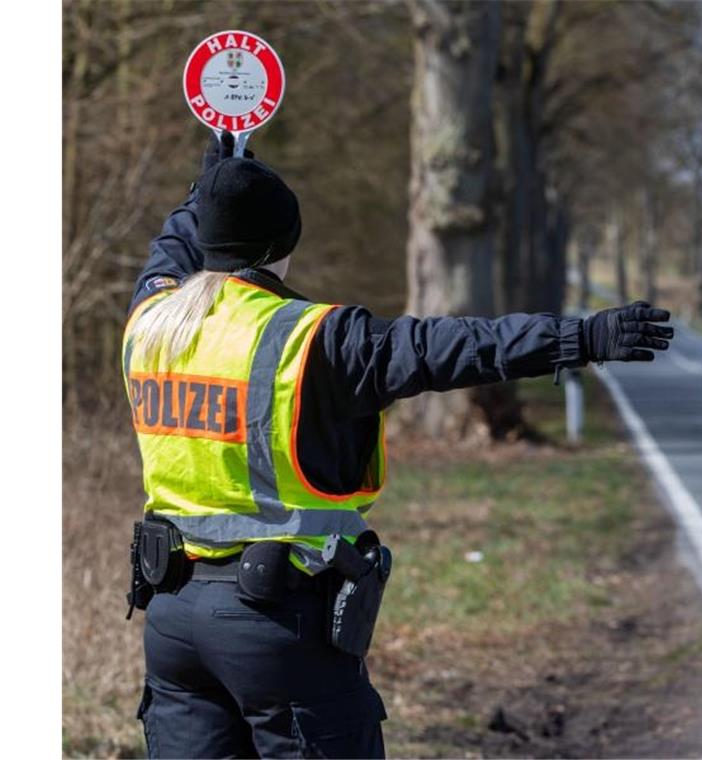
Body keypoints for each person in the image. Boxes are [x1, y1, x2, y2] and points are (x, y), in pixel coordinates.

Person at [122, 132, 673, 759]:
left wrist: (203, 193)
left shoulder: (154, 320)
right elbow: (460, 347)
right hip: (278, 629)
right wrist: (581, 338)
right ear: (285, 245)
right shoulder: (315, 339)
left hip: (172, 622)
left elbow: (169, 249)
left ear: (210, 239)